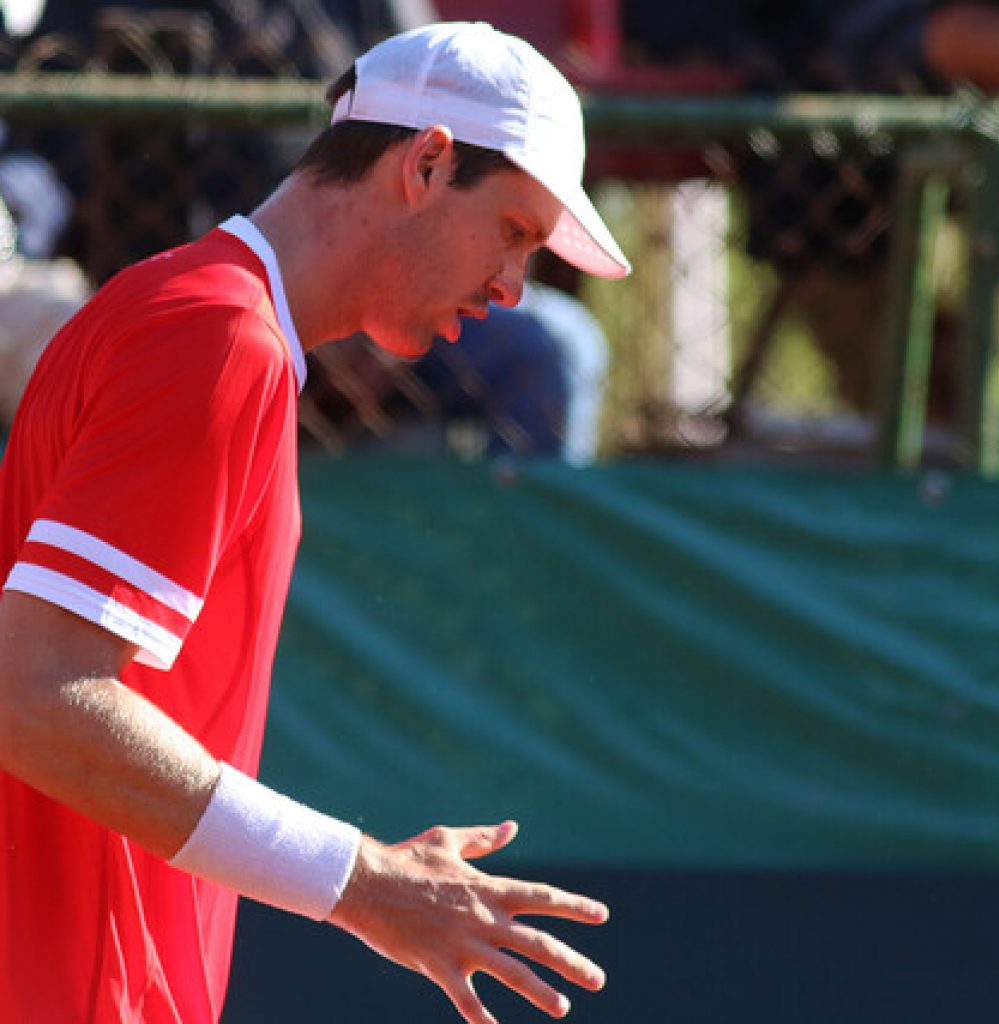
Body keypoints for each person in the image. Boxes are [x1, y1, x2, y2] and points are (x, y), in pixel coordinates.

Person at [0, 20, 630, 1024]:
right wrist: (366, 882)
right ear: (426, 163)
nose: (513, 286)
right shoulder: (217, 339)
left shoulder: (182, 307)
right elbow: (32, 695)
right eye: (513, 230)